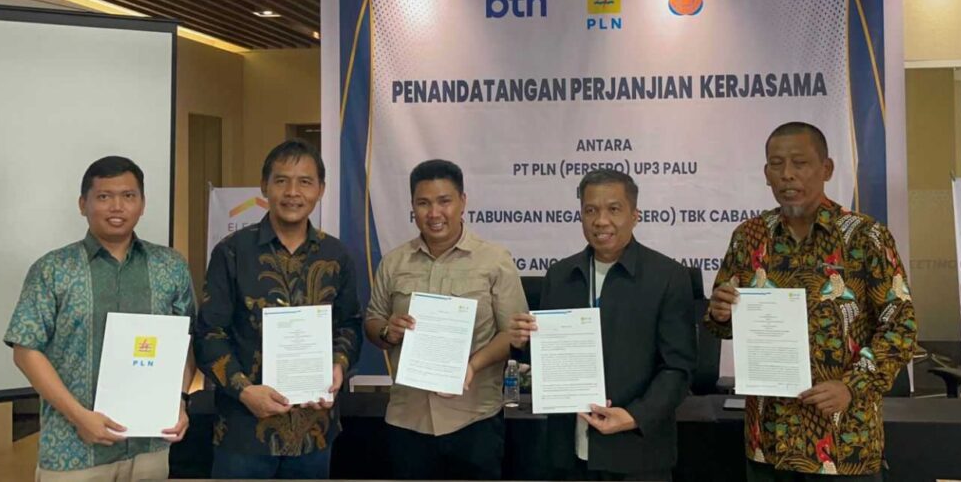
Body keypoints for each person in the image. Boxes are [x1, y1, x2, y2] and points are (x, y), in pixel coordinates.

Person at [707, 122, 917, 481]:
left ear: (827, 169)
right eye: (777, 164)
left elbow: (901, 326)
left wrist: (852, 386)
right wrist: (721, 313)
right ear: (766, 174)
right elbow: (722, 324)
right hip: (768, 441)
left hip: (843, 442)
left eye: (800, 163)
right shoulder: (749, 237)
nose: (787, 174)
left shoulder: (865, 236)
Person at [5, 156, 194, 481]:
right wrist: (79, 416)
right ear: (83, 204)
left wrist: (177, 400)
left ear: (142, 204)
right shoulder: (53, 269)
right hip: (73, 449)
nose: (117, 207)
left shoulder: (170, 266)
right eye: (104, 196)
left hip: (150, 446)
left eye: (128, 196)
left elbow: (184, 342)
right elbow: (25, 350)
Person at [510, 169, 697, 481]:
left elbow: (678, 369)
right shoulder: (561, 276)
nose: (600, 221)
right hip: (568, 454)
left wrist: (634, 416)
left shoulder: (667, 277)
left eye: (614, 209)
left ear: (635, 215)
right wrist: (523, 343)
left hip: (637, 452)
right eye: (590, 210)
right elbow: (550, 363)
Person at [194, 139, 362, 479]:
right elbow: (209, 334)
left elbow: (350, 325)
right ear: (264, 186)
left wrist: (338, 366)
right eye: (281, 180)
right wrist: (244, 391)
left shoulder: (336, 255)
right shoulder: (232, 252)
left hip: (314, 432)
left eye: (305, 182)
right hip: (244, 432)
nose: (292, 192)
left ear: (321, 190)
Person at [365, 159, 528, 480]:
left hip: (474, 418)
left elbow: (513, 334)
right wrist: (388, 331)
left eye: (444, 201)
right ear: (412, 206)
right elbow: (373, 321)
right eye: (423, 203)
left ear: (462, 202)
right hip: (408, 419)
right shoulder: (394, 262)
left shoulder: (494, 260)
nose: (434, 213)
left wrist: (473, 366)